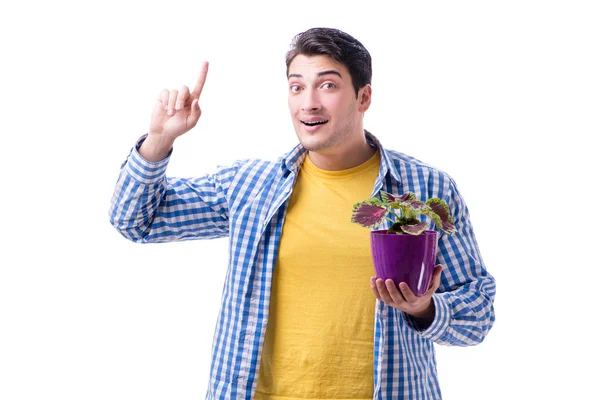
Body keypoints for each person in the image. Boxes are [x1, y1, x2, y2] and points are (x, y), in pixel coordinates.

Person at [109, 27, 495, 400]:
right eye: (297, 86)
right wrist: (160, 139)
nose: (309, 102)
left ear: (363, 97)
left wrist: (424, 308)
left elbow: (478, 313)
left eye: (327, 85)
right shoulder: (251, 186)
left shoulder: (425, 191)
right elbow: (136, 220)